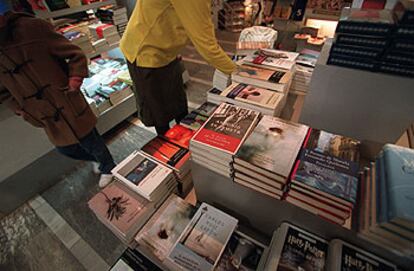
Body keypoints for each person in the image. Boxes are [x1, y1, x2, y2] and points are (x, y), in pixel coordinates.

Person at [0, 10, 115, 188]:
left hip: (66, 100)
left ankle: (108, 166)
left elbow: (75, 53)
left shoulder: (32, 28)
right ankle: (98, 160)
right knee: (66, 148)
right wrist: (19, 107)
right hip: (42, 111)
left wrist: (74, 81)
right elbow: (3, 91)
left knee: (90, 140)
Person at [121, 0, 236, 135]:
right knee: (160, 115)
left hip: (166, 49)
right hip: (145, 53)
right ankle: (171, 149)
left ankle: (185, 137)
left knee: (179, 105)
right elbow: (207, 45)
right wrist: (241, 73)